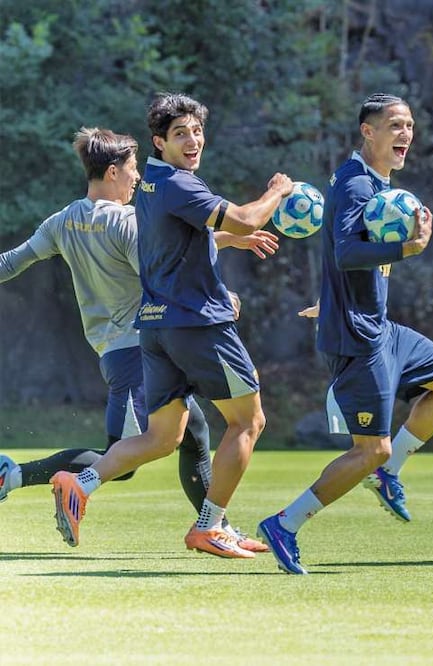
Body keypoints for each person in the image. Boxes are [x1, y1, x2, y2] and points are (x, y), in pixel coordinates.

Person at [0, 128, 273, 550]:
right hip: (139, 352)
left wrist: (227, 239)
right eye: (132, 170)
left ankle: (214, 525)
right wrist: (222, 294)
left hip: (119, 350)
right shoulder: (127, 220)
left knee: (192, 435)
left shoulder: (63, 220)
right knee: (126, 457)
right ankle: (17, 475)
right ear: (112, 171)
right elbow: (158, 267)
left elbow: (11, 263)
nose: (136, 179)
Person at [257, 93, 433, 575]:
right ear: (368, 132)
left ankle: (389, 471)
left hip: (380, 328)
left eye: (410, 125)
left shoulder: (371, 181)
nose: (405, 134)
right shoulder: (356, 185)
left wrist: (332, 296)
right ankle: (285, 525)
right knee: (368, 448)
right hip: (357, 338)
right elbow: (345, 253)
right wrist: (409, 247)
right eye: (394, 125)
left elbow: (346, 255)